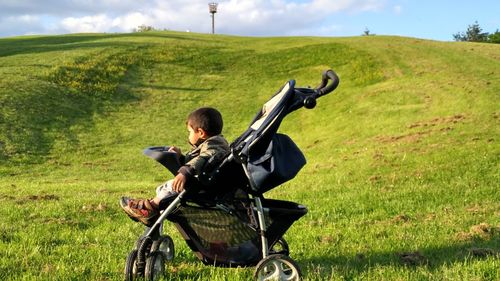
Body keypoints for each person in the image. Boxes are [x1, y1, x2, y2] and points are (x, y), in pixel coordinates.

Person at [120, 107, 230, 226]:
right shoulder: (211, 143)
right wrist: (181, 158)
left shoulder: (215, 144)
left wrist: (186, 171)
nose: (189, 135)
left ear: (201, 133)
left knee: (172, 187)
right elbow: (204, 162)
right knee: (165, 188)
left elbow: (206, 157)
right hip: (204, 183)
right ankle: (151, 206)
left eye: (190, 132)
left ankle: (149, 209)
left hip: (206, 188)